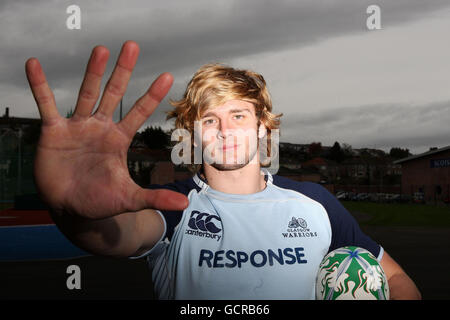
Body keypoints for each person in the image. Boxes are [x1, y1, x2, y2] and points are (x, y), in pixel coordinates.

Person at [25, 41, 421, 300]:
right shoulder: (174, 206)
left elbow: (399, 282)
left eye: (237, 114)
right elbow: (114, 235)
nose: (226, 129)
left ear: (263, 125)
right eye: (210, 120)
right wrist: (71, 210)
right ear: (193, 134)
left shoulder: (315, 202)